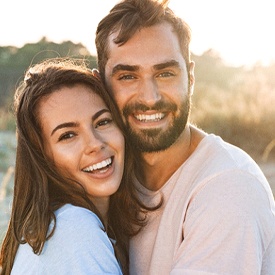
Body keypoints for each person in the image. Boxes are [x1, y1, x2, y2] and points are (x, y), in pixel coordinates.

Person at [95, 0, 275, 274]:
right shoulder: (107, 176)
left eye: (165, 73)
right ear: (100, 86)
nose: (150, 97)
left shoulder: (229, 190)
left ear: (190, 78)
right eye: (128, 76)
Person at [0, 58, 151, 275]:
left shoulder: (51, 227)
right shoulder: (74, 229)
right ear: (42, 156)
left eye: (103, 122)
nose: (95, 144)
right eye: (68, 135)